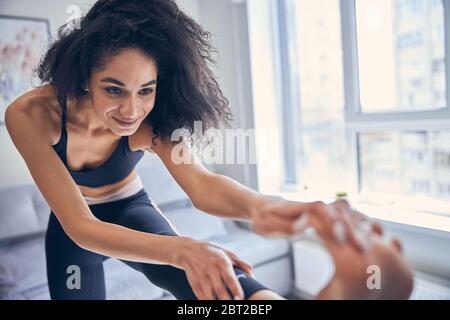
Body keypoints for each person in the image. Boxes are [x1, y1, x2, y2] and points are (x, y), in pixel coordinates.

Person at [5, 0, 413, 300]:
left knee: (214, 278)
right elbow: (81, 226)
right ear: (82, 75)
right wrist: (183, 248)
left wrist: (259, 207)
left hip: (128, 208)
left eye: (146, 90)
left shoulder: (151, 120)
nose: (131, 110)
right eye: (114, 89)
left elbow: (201, 184)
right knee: (187, 255)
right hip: (75, 229)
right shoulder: (31, 115)